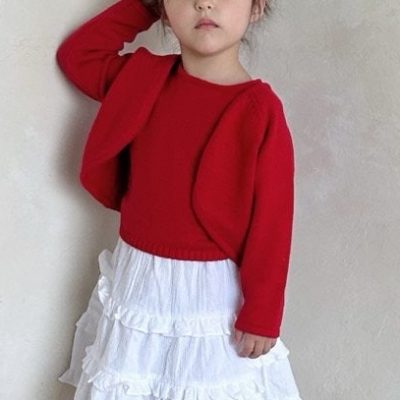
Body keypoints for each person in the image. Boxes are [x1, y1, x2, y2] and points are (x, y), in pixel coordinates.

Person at [56, 0, 302, 399]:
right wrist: (146, 6)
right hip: (140, 280)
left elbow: (273, 220)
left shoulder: (259, 109)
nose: (204, 3)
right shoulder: (141, 80)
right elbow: (78, 55)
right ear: (165, 11)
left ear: (256, 8)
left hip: (210, 295)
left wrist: (263, 311)